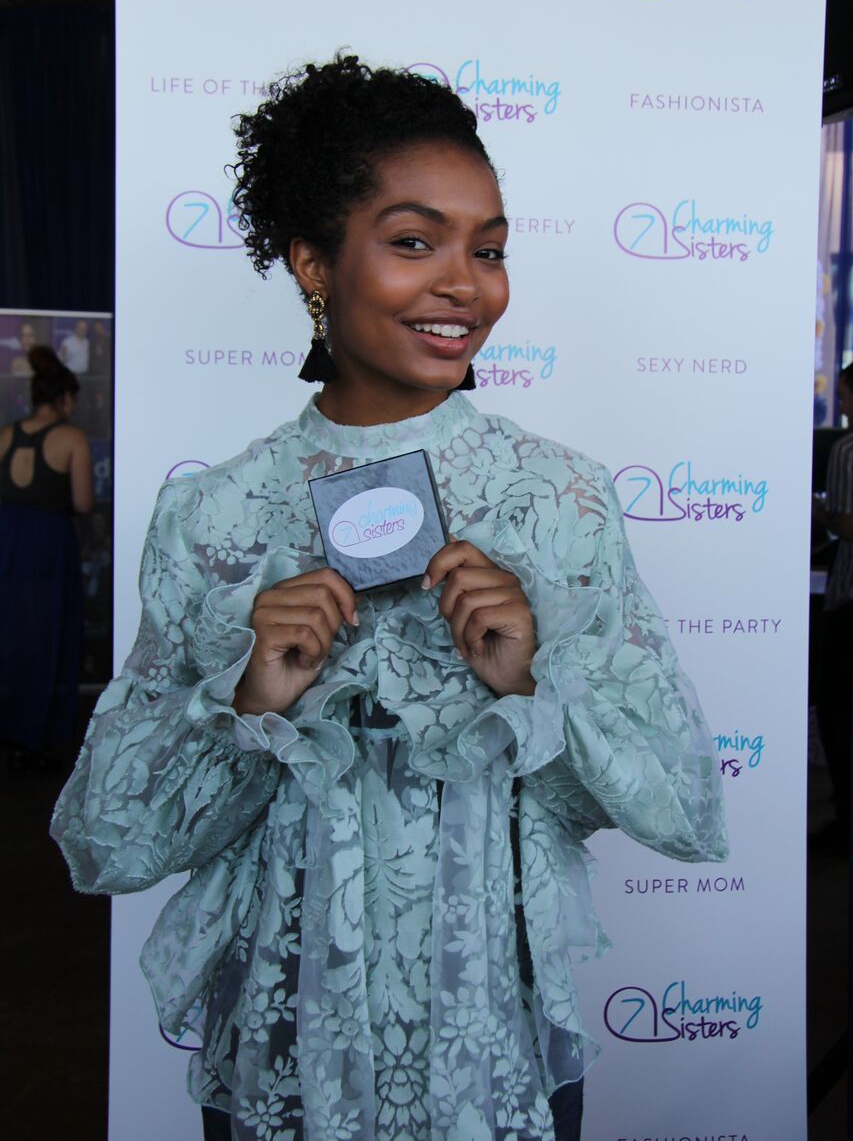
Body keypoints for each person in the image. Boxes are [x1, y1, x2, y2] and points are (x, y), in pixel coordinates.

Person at [52, 56, 727, 1141]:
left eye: (489, 248)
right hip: (288, 1054)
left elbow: (683, 805)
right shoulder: (217, 514)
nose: (465, 282)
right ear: (313, 263)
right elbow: (107, 839)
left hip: (498, 1041)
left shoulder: (558, 498)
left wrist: (529, 677)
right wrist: (253, 697)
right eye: (415, 241)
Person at [0, 346, 93, 768]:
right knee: (46, 637)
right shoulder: (71, 437)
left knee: (11, 634)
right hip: (48, 544)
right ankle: (36, 735)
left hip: (7, 539)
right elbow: (83, 501)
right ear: (65, 399)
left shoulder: (5, 434)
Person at [814, 362, 853, 850]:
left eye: (844, 397)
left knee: (839, 713)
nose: (841, 407)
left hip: (848, 601)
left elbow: (846, 523)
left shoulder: (846, 451)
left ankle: (846, 823)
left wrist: (818, 509)